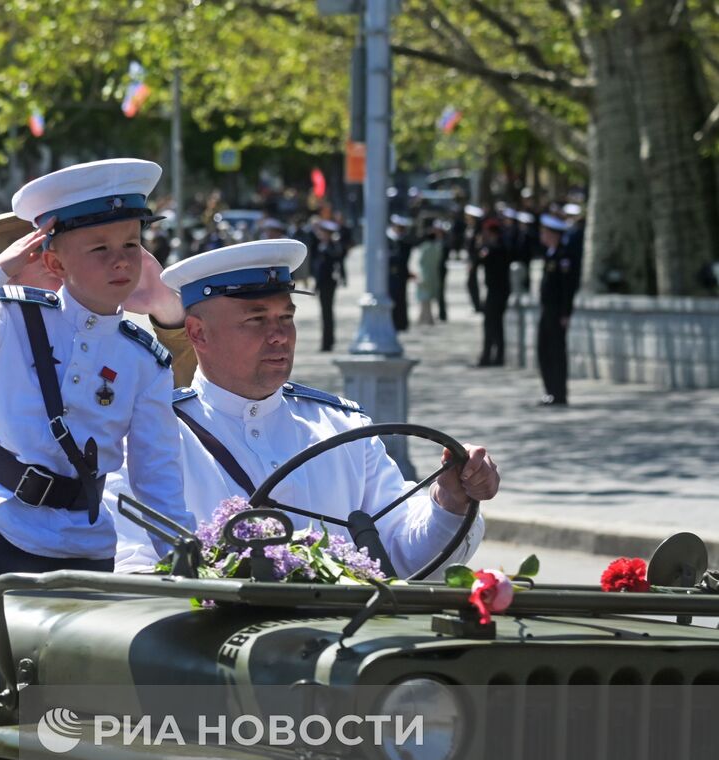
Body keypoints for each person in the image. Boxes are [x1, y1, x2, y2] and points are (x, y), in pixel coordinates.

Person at [113, 239, 497, 578]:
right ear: (197, 332)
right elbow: (133, 567)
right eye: (256, 319)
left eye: (286, 317)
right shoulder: (151, 438)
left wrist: (451, 500)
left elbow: (408, 557)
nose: (279, 335)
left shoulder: (341, 429)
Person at [0, 158, 193, 600]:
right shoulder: (13, 315)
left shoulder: (145, 362)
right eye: (99, 248)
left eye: (132, 245)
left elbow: (157, 479)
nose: (121, 260)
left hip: (85, 541)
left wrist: (189, 566)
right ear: (55, 263)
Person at [536, 213, 579, 406]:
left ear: (554, 234)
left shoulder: (564, 257)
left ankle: (559, 393)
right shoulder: (550, 254)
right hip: (546, 310)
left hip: (557, 312)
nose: (542, 236)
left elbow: (567, 289)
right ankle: (550, 391)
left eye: (545, 232)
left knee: (556, 353)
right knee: (543, 351)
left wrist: (566, 313)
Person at [476, 218, 512, 367]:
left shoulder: (496, 248)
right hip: (495, 290)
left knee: (493, 324)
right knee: (492, 324)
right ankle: (491, 355)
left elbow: (481, 259)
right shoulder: (495, 247)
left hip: (497, 291)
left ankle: (494, 356)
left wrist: (481, 246)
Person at [308, 219, 344, 351]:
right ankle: (328, 341)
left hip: (328, 283)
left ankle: (327, 342)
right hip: (323, 283)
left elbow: (334, 263)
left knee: (327, 313)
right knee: (325, 313)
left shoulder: (331, 247)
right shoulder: (322, 245)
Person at [414, 222, 445, 327]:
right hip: (434, 275)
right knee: (428, 299)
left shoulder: (424, 248)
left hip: (424, 274)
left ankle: (424, 318)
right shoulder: (437, 248)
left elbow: (420, 261)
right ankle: (426, 317)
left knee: (423, 298)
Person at [387, 214, 414, 332]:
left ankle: (402, 323)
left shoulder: (404, 241)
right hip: (391, 275)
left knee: (402, 299)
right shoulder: (388, 239)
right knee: (392, 298)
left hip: (402, 274)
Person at [463, 204, 484, 313]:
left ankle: (478, 305)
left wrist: (472, 262)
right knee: (471, 283)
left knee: (471, 282)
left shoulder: (478, 231)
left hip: (474, 260)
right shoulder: (469, 228)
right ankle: (476, 304)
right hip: (470, 259)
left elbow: (477, 246)